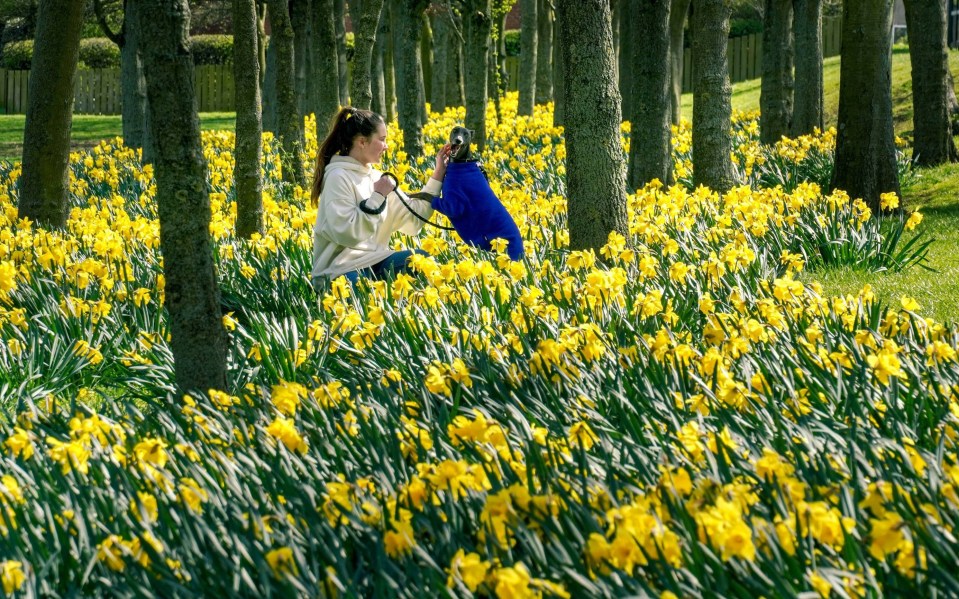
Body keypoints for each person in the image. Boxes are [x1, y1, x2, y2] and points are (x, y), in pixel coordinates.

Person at [310, 107, 450, 291]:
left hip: (375, 261)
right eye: (382, 140)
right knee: (358, 290)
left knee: (423, 262)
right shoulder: (338, 177)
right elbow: (347, 234)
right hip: (339, 269)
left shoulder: (378, 178)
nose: (387, 146)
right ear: (362, 141)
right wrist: (378, 197)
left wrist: (439, 172)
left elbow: (414, 220)